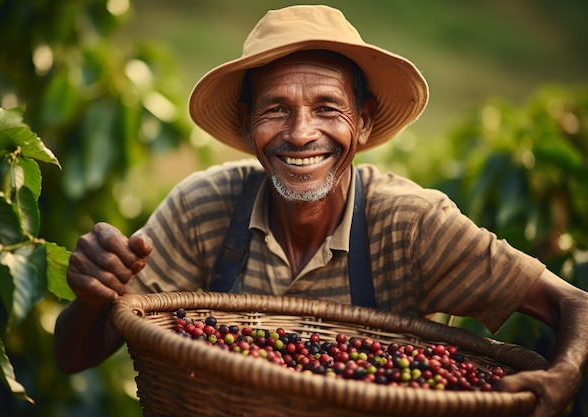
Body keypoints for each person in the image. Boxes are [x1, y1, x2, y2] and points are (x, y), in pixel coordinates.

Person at [54, 5, 588, 417]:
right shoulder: (204, 207)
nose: (301, 133)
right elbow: (74, 355)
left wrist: (562, 376)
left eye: (327, 108)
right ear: (247, 125)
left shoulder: (412, 224)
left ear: (364, 122)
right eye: (275, 109)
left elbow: (576, 305)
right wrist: (94, 298)